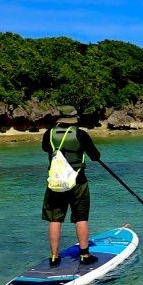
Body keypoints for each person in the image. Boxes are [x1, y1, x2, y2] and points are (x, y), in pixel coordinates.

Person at [41, 105, 101, 266]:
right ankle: (84, 255)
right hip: (78, 182)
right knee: (81, 217)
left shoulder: (49, 134)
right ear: (74, 119)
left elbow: (45, 148)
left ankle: (54, 257)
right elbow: (95, 156)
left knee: (55, 219)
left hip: (55, 183)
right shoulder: (81, 134)